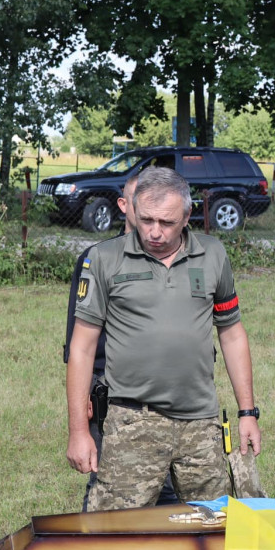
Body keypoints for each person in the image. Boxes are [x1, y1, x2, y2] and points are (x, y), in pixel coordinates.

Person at [66, 167, 264, 510]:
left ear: (187, 216)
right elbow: (81, 349)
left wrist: (248, 412)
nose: (155, 232)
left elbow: (231, 333)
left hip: (201, 423)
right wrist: (79, 432)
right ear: (131, 209)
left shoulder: (214, 254)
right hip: (132, 422)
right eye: (146, 220)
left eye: (167, 223)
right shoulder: (104, 259)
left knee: (215, 528)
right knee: (111, 535)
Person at [64, 170, 179, 510]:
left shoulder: (181, 258)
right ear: (126, 205)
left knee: (171, 490)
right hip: (113, 396)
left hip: (173, 396)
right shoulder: (97, 259)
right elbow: (79, 344)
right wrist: (83, 402)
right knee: (110, 490)